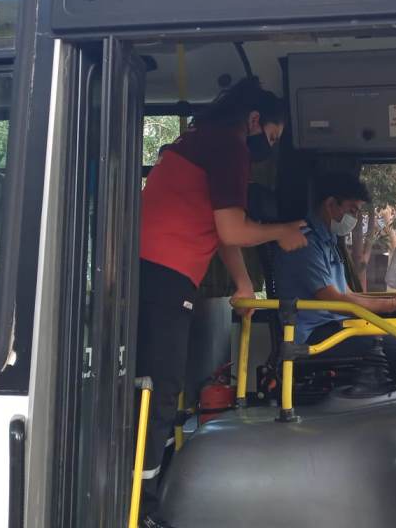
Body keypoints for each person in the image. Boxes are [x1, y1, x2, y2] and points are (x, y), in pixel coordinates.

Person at [136, 77, 307, 524]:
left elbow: (222, 228)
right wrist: (282, 231)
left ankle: (148, 490)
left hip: (155, 274)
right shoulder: (229, 146)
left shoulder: (205, 140)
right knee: (160, 393)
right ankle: (140, 508)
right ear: (253, 120)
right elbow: (233, 230)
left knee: (158, 389)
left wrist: (243, 284)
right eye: (270, 136)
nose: (267, 146)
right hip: (163, 277)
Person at [273, 172, 396, 387]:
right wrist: (389, 305)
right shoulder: (304, 243)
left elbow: (348, 294)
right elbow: (333, 299)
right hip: (314, 335)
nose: (355, 217)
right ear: (331, 204)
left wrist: (391, 305)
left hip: (334, 325)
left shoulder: (328, 241)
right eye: (352, 210)